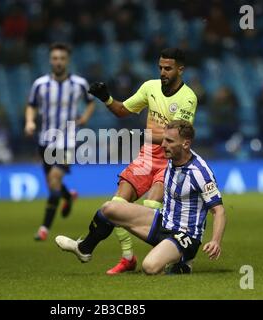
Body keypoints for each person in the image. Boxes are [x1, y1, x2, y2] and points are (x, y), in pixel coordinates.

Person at [56, 120, 226, 275]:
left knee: (149, 267)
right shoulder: (173, 156)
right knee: (109, 209)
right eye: (164, 139)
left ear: (186, 144)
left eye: (169, 141)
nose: (163, 145)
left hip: (185, 236)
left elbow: (219, 211)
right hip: (164, 222)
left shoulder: (200, 172)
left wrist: (215, 241)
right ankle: (84, 249)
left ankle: (183, 262)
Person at [86, 48, 198, 274]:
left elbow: (174, 137)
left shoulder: (188, 98)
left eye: (168, 68)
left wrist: (141, 134)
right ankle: (128, 258)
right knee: (118, 204)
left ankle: (170, 255)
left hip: (169, 158)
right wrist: (106, 98)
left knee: (151, 205)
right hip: (147, 155)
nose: (163, 72)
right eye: (160, 68)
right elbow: (122, 110)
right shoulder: (150, 87)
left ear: (180, 69)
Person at [24, 42, 96, 241]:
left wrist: (85, 118)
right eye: (55, 58)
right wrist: (29, 121)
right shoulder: (40, 85)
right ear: (50, 60)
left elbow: (91, 103)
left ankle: (44, 229)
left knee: (54, 180)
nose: (58, 62)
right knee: (52, 183)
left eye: (62, 58)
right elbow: (31, 106)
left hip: (68, 141)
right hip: (45, 140)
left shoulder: (79, 84)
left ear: (68, 61)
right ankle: (68, 196)